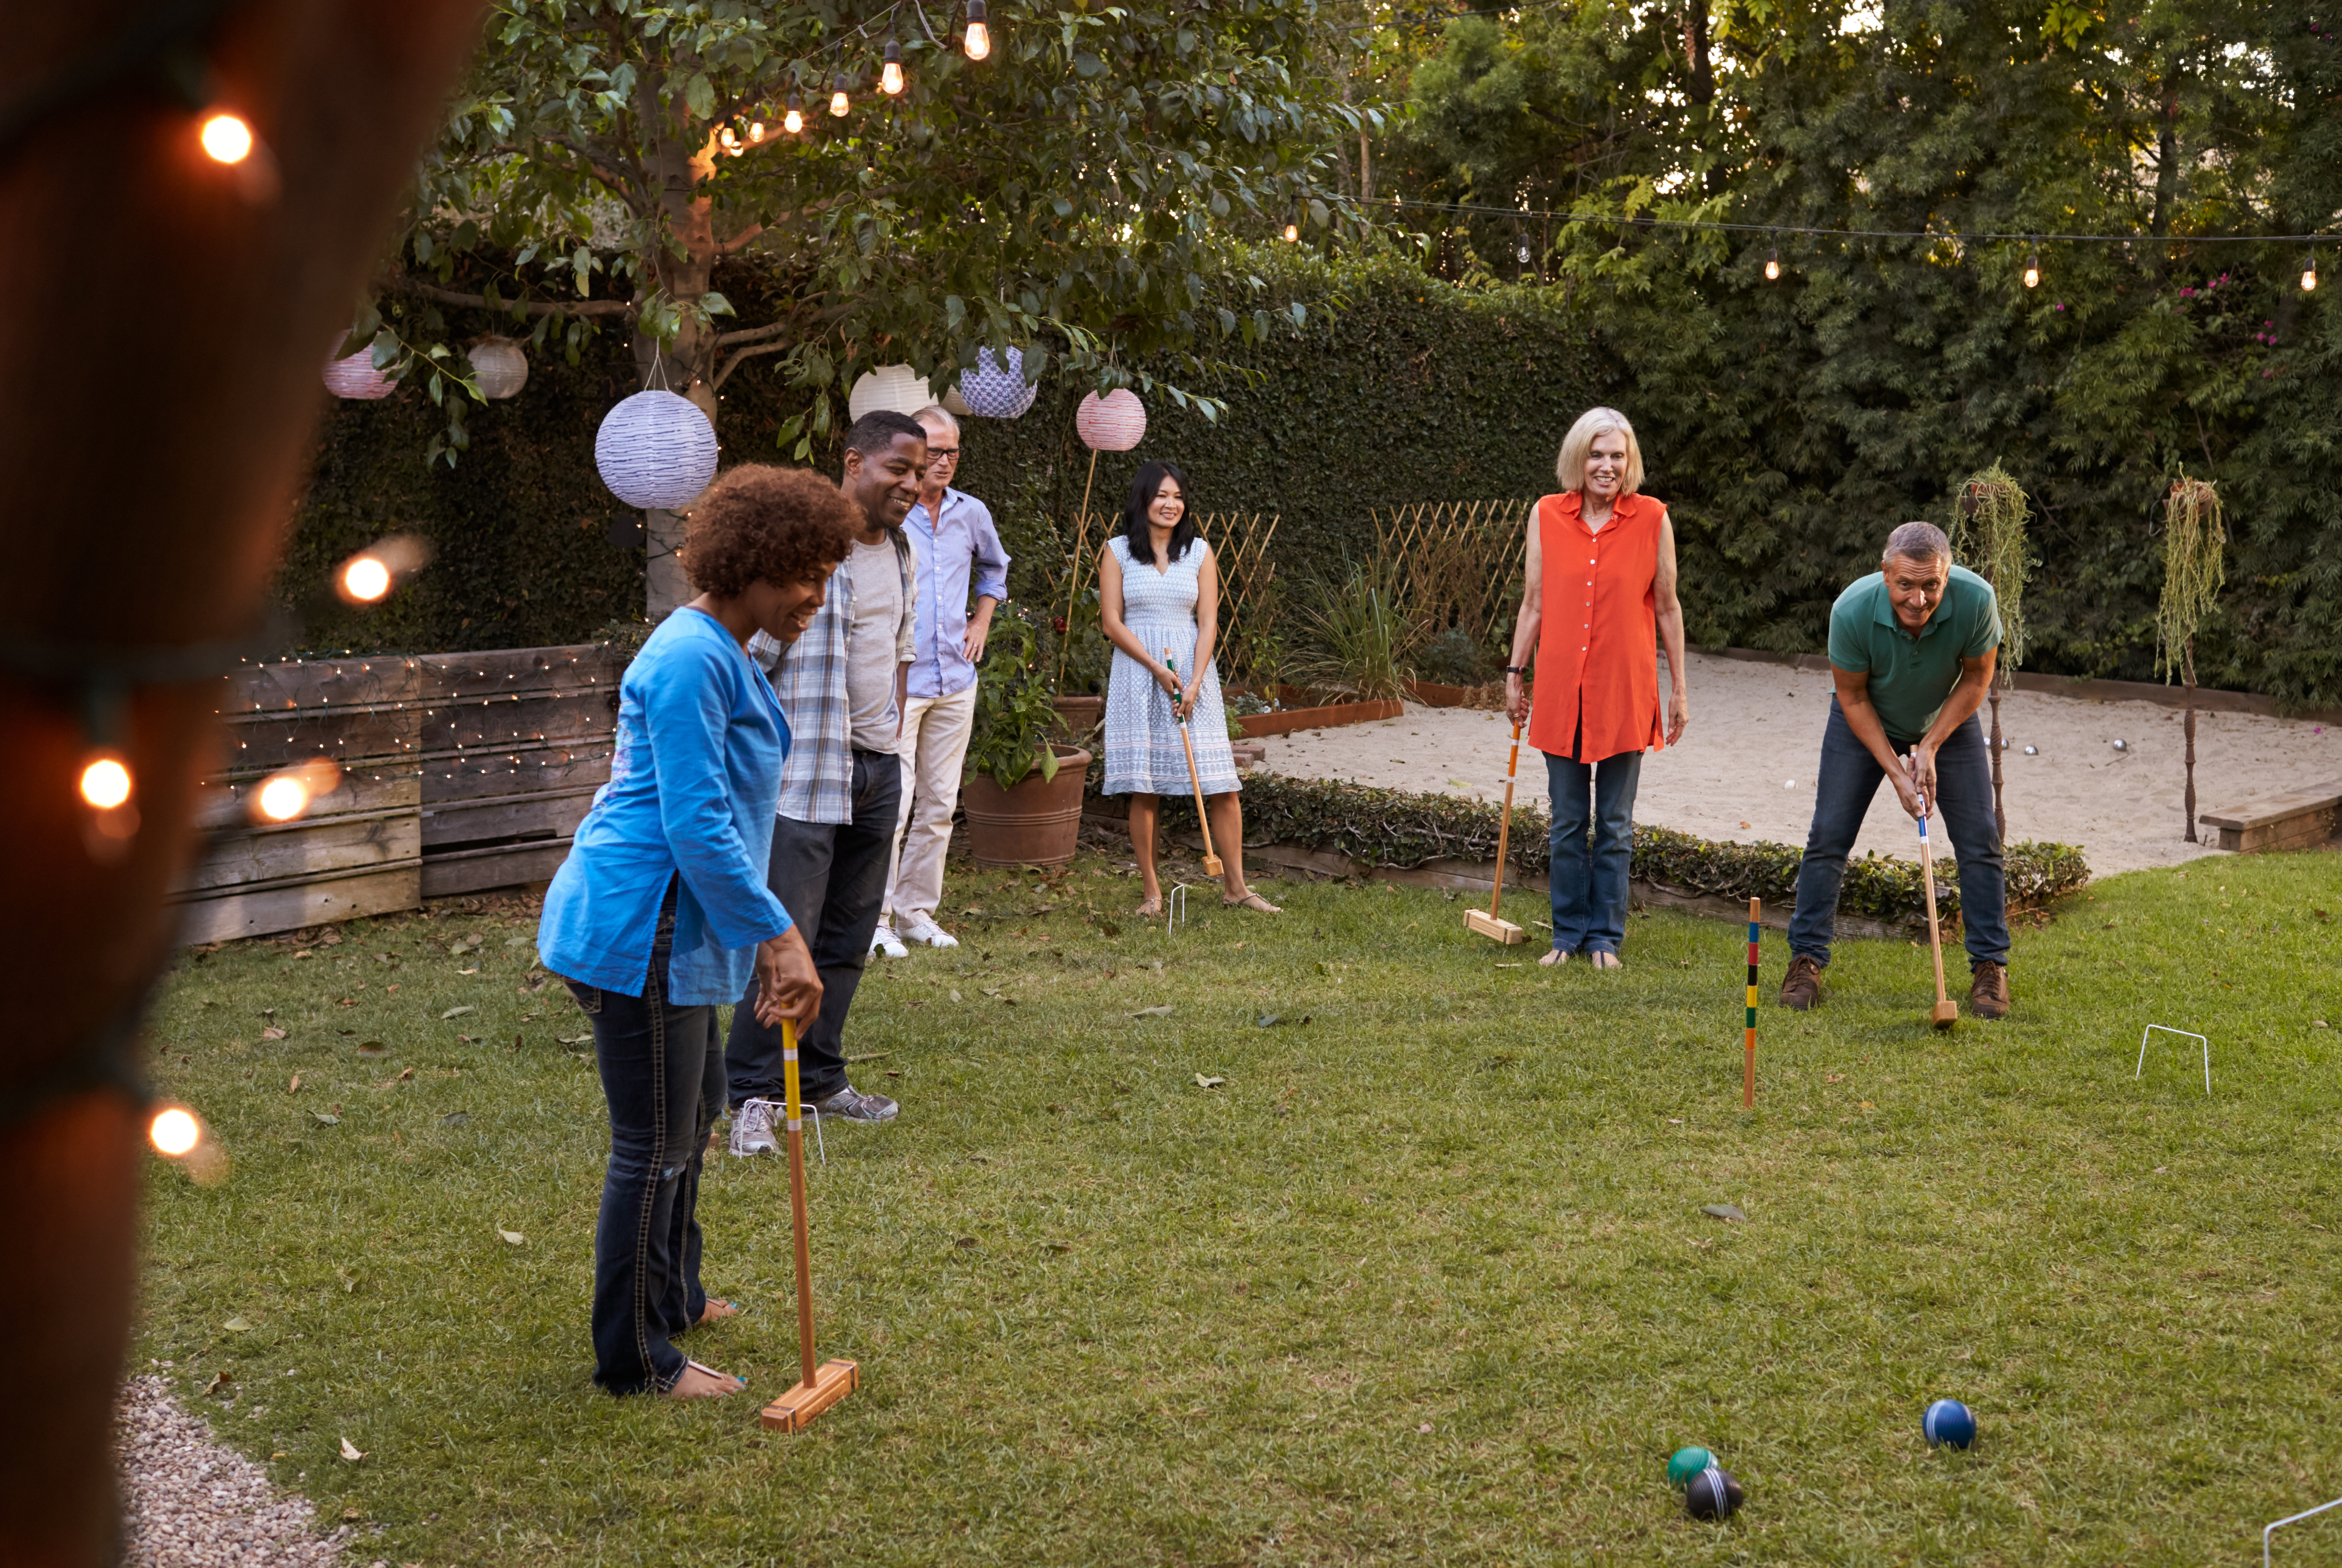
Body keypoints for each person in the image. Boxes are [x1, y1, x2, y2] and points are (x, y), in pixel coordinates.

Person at [536, 465, 854, 1398]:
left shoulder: (724, 651)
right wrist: (779, 937)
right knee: (656, 1140)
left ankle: (674, 1294)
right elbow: (697, 822)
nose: (816, 597)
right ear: (756, 562)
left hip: (677, 929)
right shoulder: (688, 659)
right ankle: (636, 1359)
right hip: (640, 928)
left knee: (697, 1110)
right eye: (807, 574)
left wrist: (752, 937)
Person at [726, 411, 925, 1150]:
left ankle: (819, 1079)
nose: (912, 483)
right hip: (806, 775)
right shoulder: (810, 551)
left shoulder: (903, 549)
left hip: (877, 770)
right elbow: (753, 657)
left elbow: (898, 649)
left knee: (847, 939)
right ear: (853, 463)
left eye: (921, 469)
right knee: (788, 938)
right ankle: (749, 1092)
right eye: (897, 469)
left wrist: (889, 741)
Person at [1779, 521, 2010, 1018]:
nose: (1920, 599)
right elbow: (1854, 695)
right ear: (1886, 575)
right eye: (1906, 584)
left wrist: (1929, 746)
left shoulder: (1976, 600)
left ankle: (1990, 967)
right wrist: (1897, 772)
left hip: (1946, 714)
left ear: (1947, 577)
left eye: (1932, 585)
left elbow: (1975, 679)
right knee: (1829, 835)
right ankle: (1806, 959)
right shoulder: (1852, 610)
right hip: (1864, 716)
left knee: (1980, 838)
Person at [1503, 407, 1689, 969]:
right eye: (1596, 454)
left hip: (1624, 689)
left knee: (1613, 822)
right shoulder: (1545, 515)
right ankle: (1567, 933)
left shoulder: (1653, 517)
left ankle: (1605, 936)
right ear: (1577, 458)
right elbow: (1533, 602)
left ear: (1629, 461)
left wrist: (1680, 689)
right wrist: (1515, 673)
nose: (1606, 466)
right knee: (1566, 821)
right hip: (1561, 687)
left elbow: (1668, 606)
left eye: (1617, 455)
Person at [1098, 460, 1279, 916]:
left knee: (1222, 783)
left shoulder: (1198, 551)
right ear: (1143, 499)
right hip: (1139, 675)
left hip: (1194, 676)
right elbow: (1111, 622)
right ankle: (1152, 893)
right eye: (1161, 495)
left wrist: (1195, 681)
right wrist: (1157, 669)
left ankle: (1237, 888)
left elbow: (1208, 621)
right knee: (1146, 787)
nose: (1171, 504)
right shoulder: (1117, 551)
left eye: (1178, 496)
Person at [870, 403, 1010, 957]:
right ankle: (874, 917)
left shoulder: (971, 513)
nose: (946, 460)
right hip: (898, 682)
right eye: (935, 450)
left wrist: (981, 620)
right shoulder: (889, 513)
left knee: (939, 804)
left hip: (956, 677)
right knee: (893, 803)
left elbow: (995, 568)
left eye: (953, 450)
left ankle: (915, 912)